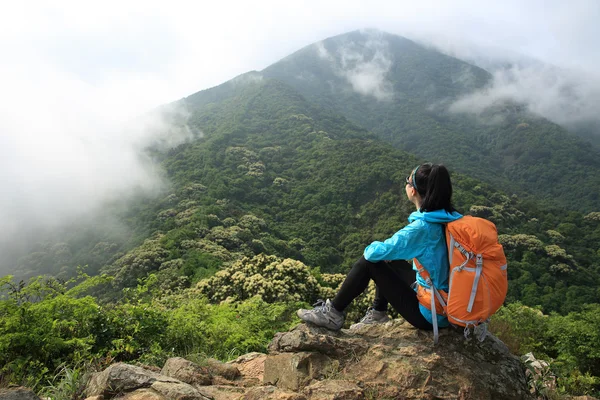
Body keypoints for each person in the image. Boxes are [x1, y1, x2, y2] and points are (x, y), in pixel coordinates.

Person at [297, 163, 463, 331]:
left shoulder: (422, 228)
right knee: (390, 260)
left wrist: (380, 248)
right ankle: (378, 313)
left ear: (413, 190)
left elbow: (372, 254)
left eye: (408, 181)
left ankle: (333, 314)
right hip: (449, 299)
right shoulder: (451, 219)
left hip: (432, 314)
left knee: (370, 261)